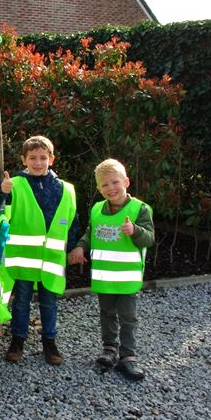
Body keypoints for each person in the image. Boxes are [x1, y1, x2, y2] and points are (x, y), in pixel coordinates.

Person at [0, 135, 79, 365]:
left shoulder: (65, 189)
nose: (38, 162)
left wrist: (73, 248)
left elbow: (72, 221)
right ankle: (17, 340)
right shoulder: (15, 184)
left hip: (51, 260)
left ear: (51, 159)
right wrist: (1, 188)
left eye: (42, 157)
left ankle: (50, 342)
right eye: (32, 158)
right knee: (21, 302)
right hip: (23, 260)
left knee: (49, 302)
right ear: (23, 159)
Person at [67, 159, 154, 380]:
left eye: (115, 182)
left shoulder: (139, 209)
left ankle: (128, 357)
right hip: (104, 277)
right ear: (99, 188)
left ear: (126, 182)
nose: (111, 188)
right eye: (105, 185)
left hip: (127, 279)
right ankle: (109, 349)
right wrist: (79, 247)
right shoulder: (97, 209)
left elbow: (149, 239)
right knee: (106, 314)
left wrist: (134, 230)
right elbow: (90, 233)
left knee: (128, 317)